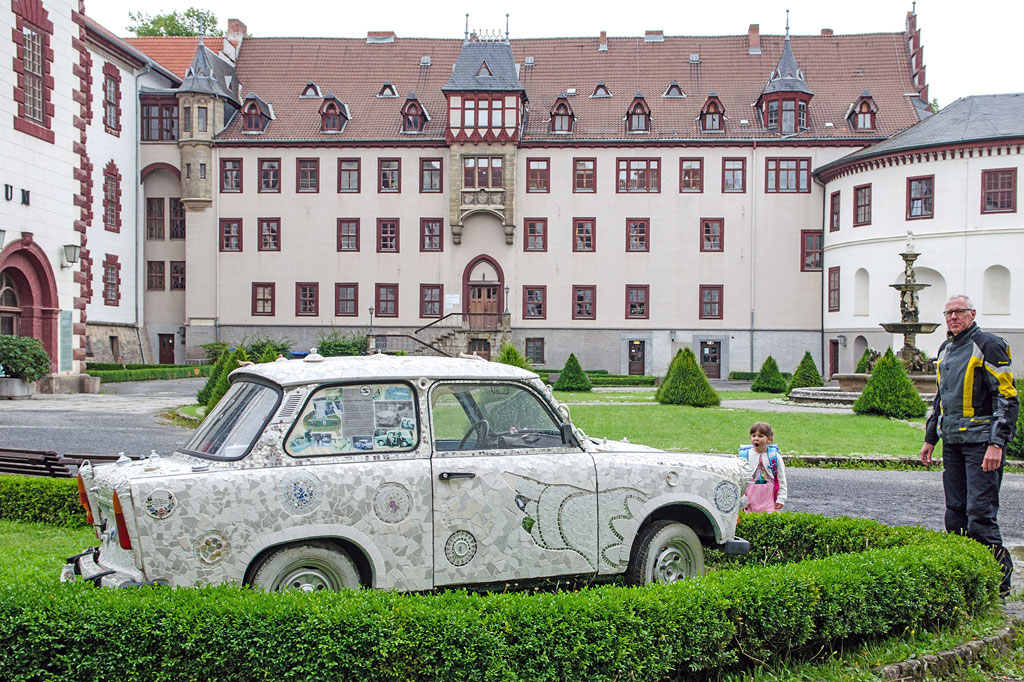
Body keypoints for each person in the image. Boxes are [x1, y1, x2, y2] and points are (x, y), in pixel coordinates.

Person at [919, 294, 1018, 597]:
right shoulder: (945, 349)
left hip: (981, 443)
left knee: (980, 515)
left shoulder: (989, 345)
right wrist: (930, 438)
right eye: (948, 313)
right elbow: (940, 398)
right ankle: (968, 581)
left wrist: (997, 444)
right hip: (953, 442)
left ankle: (1000, 583)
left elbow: (1007, 397)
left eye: (959, 312)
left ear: (972, 313)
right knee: (956, 515)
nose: (952, 317)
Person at [738, 422, 787, 513]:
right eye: (753, 435)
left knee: (770, 522)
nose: (756, 438)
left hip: (769, 500)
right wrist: (742, 498)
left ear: (768, 439)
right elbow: (738, 479)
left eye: (760, 436)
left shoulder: (774, 456)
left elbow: (781, 478)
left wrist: (781, 498)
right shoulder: (744, 456)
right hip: (750, 500)